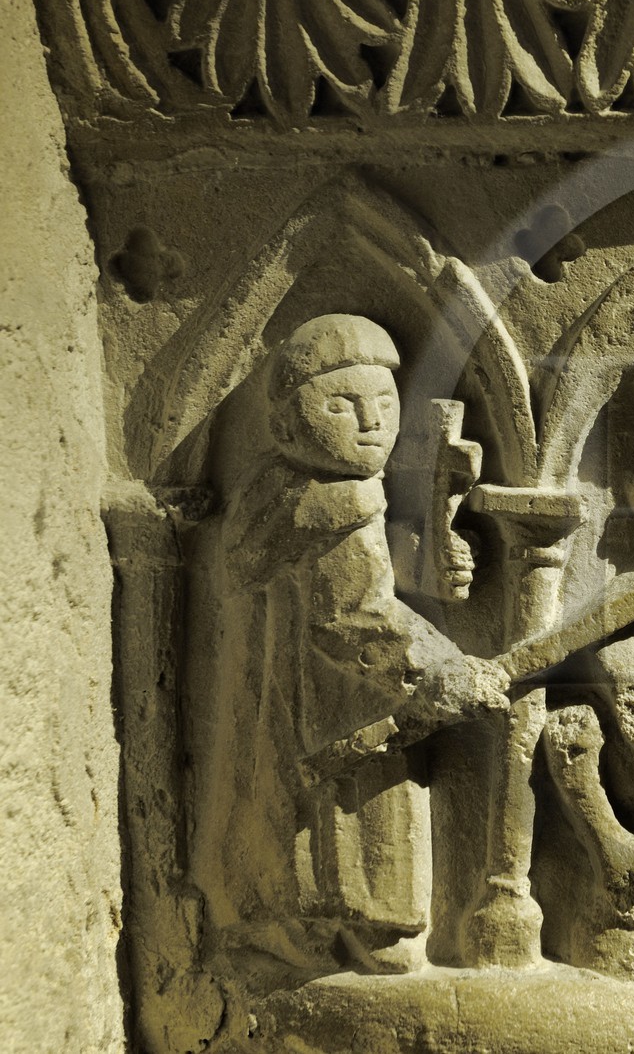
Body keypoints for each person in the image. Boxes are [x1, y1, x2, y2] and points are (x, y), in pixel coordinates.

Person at [191, 314, 508, 976]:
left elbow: (359, 581)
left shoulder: (274, 488)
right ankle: (365, 931)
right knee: (366, 828)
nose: (371, 422)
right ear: (285, 424)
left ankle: (284, 925)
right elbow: (353, 617)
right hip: (348, 707)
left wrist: (432, 559)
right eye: (343, 404)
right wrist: (445, 668)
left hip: (278, 699)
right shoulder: (342, 497)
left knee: (282, 819)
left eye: (385, 404)